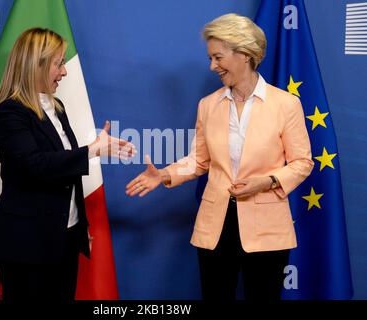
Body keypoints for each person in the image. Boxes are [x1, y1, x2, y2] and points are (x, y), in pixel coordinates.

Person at [126, 13, 314, 300]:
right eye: (210, 59)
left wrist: (267, 181)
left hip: (267, 227)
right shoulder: (208, 105)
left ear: (245, 54)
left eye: (218, 57)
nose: (213, 66)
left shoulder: (286, 105)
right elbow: (199, 161)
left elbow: (303, 162)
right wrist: (163, 174)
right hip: (216, 226)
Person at [0, 28, 135, 301]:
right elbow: (35, 165)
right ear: (35, 65)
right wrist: (91, 150)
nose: (64, 72)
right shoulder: (11, 111)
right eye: (58, 63)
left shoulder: (57, 106)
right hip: (26, 246)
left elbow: (66, 172)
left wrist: (78, 226)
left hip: (62, 240)